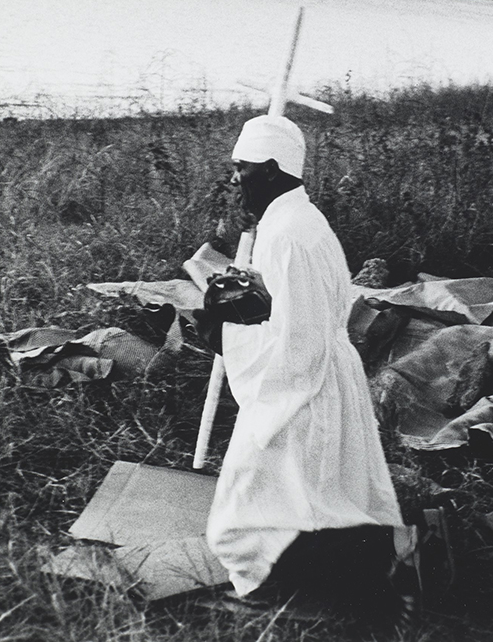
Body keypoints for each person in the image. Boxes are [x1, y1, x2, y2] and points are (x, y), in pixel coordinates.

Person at [201, 113, 407, 625]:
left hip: (304, 381)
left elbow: (299, 341)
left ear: (271, 169)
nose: (234, 179)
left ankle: (305, 593)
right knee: (318, 490)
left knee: (247, 511)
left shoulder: (290, 234)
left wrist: (225, 335)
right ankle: (337, 580)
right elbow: (296, 313)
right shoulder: (293, 221)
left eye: (242, 168)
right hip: (319, 371)